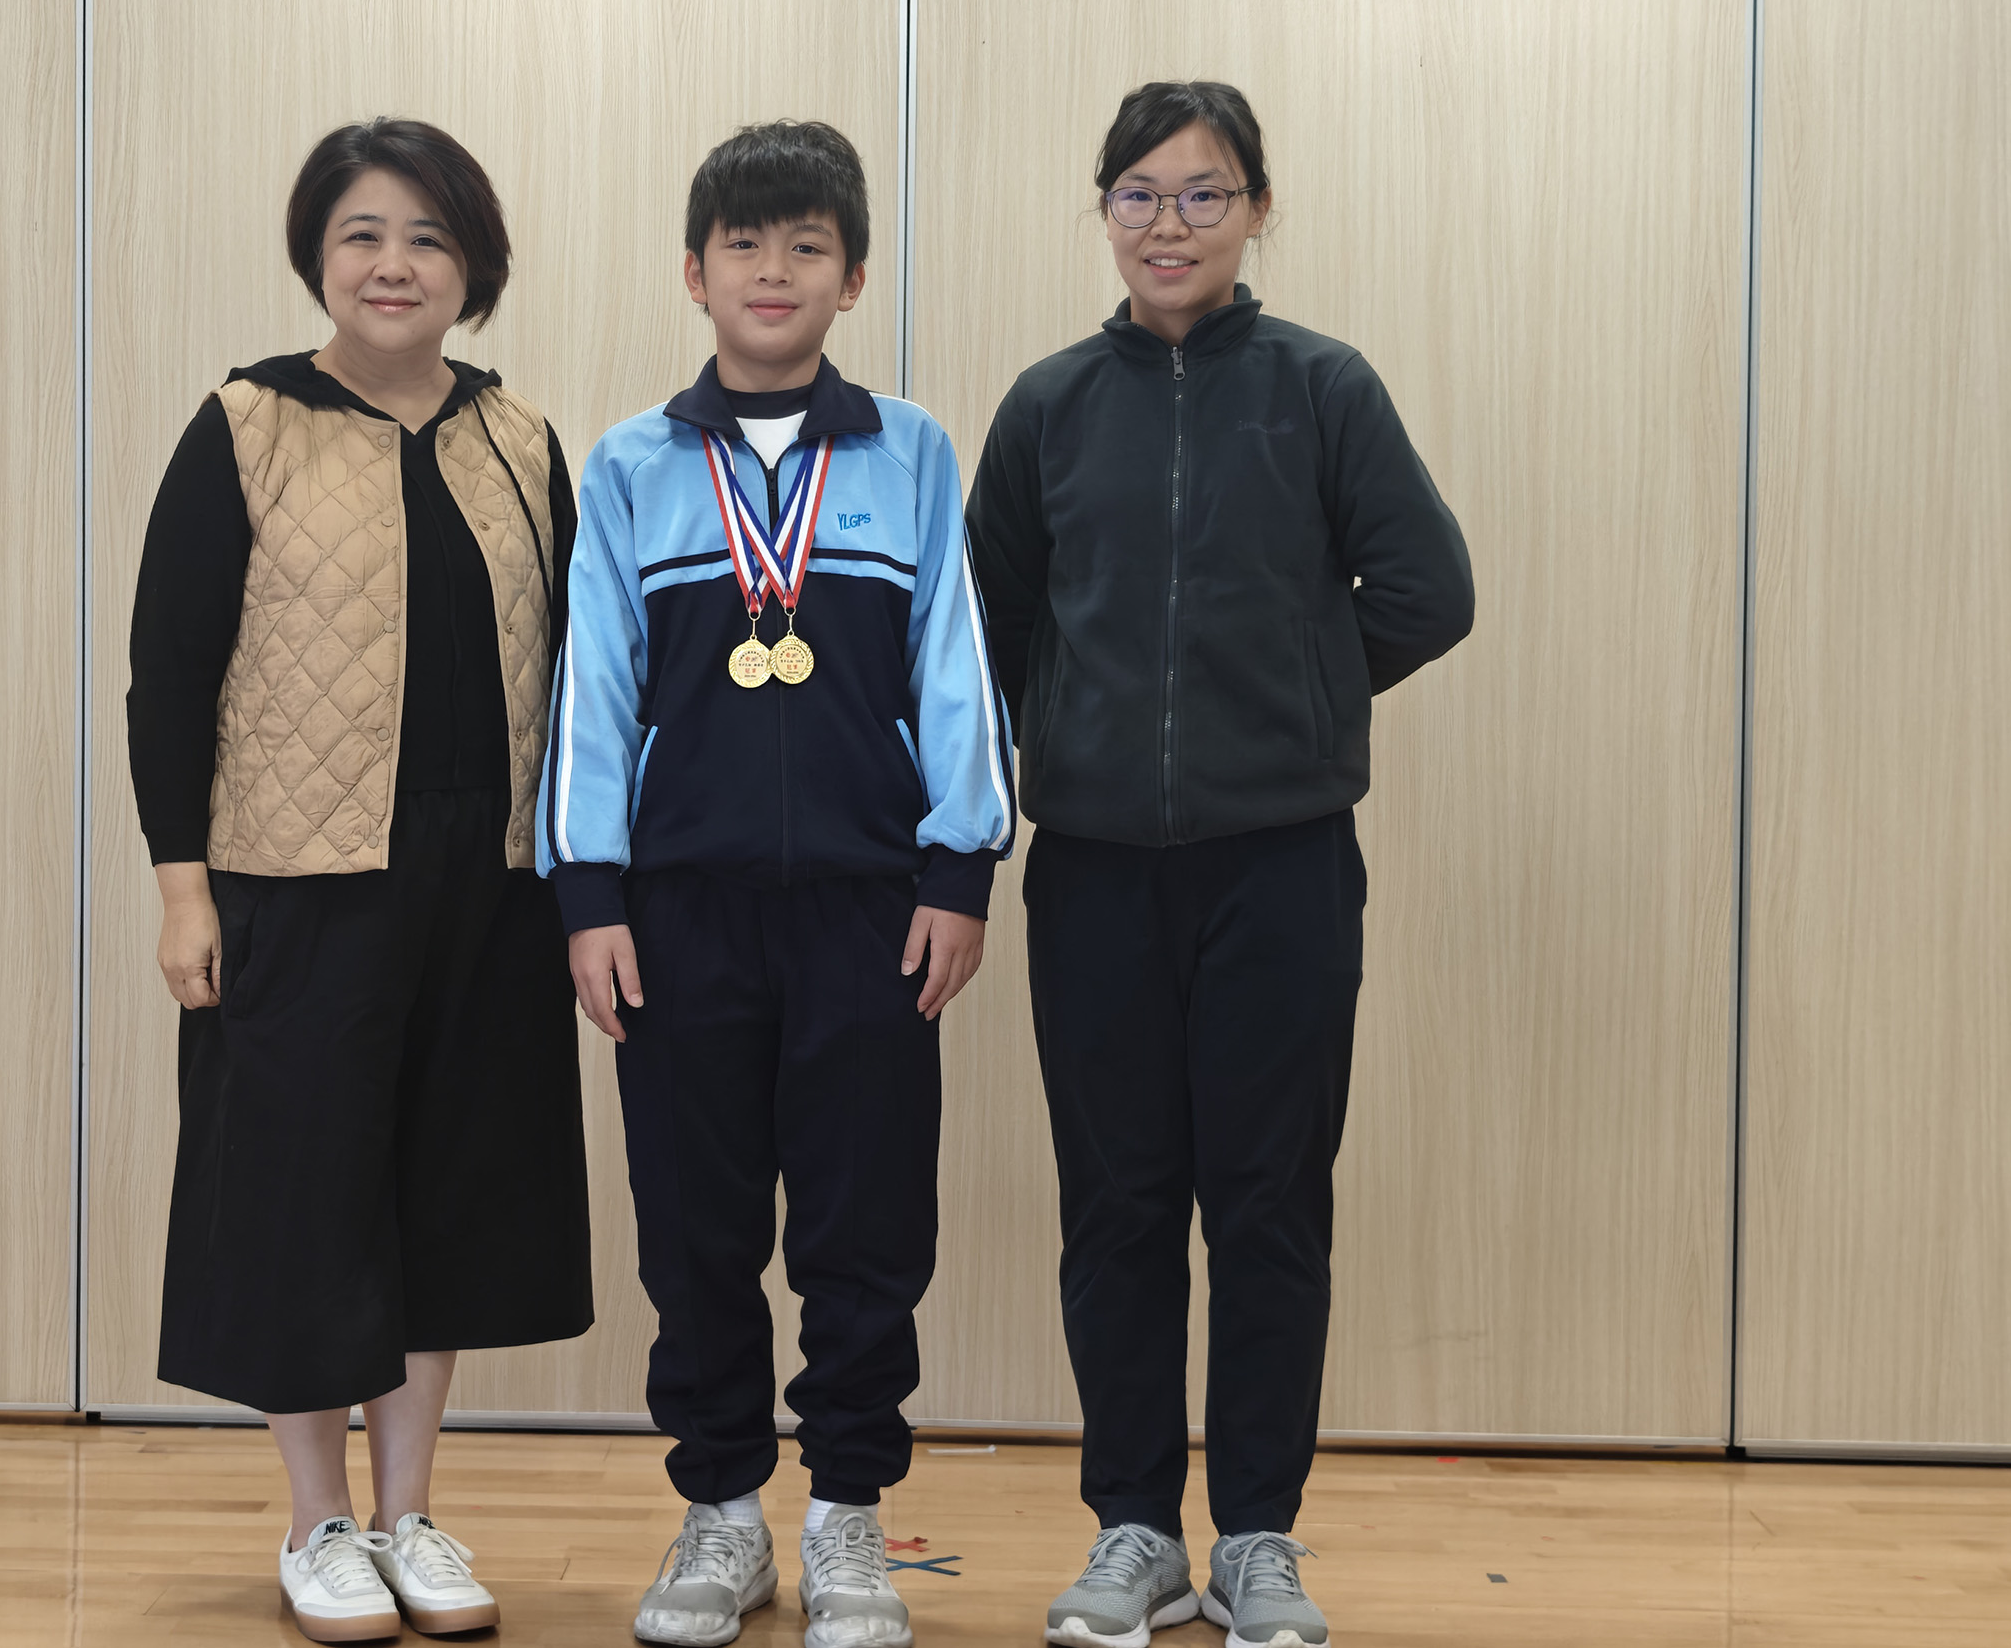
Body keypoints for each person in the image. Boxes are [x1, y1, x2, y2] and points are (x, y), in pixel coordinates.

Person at [967, 82, 1473, 1648]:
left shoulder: (1321, 389)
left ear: (1256, 210)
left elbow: (1429, 587)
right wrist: (1086, 731)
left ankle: (1257, 1537)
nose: (1169, 224)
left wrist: (1294, 702)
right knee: (1118, 1207)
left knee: (1267, 1208)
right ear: (1103, 211)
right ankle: (1133, 1531)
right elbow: (988, 625)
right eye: (1139, 193)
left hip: (1282, 870)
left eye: (1203, 194)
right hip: (1095, 872)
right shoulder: (1050, 405)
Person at [541, 120, 1016, 1648]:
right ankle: (723, 1514)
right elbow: (593, 690)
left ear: (852, 277)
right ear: (694, 273)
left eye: (807, 245)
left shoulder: (912, 451)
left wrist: (961, 867)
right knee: (696, 1227)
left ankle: (849, 1515)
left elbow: (958, 671)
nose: (773, 270)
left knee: (866, 1226)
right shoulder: (632, 465)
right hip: (677, 914)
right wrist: (588, 895)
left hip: (875, 911)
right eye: (742, 244)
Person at [127, 118, 593, 1644]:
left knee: (443, 1194)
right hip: (299, 877)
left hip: (489, 879)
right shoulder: (247, 424)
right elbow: (169, 675)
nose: (396, 265)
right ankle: (317, 1523)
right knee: (304, 1199)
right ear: (318, 257)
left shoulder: (519, 438)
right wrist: (183, 888)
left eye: (428, 239)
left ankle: (409, 1517)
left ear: (474, 265)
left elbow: (580, 672)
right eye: (364, 236)